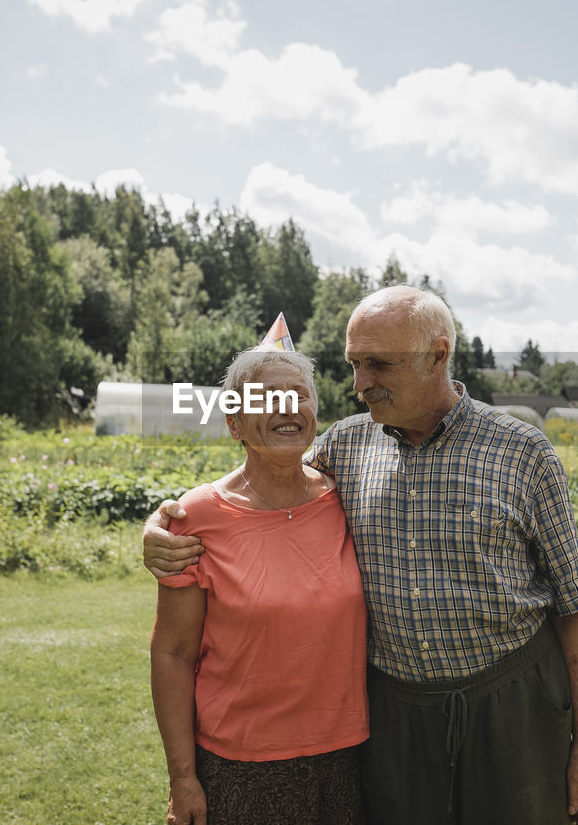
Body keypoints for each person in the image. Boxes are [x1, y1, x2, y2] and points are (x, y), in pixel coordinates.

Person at [147, 286, 578, 825]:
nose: (360, 384)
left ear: (437, 356)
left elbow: (574, 605)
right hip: (393, 715)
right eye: (353, 364)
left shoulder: (523, 452)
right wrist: (158, 524)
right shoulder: (344, 447)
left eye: (378, 364)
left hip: (511, 702)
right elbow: (264, 474)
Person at [149, 349, 368, 825]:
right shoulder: (196, 517)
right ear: (234, 423)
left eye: (299, 396)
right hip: (239, 763)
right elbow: (173, 653)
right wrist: (183, 778)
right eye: (266, 398)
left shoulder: (347, 494)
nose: (287, 409)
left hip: (348, 756)